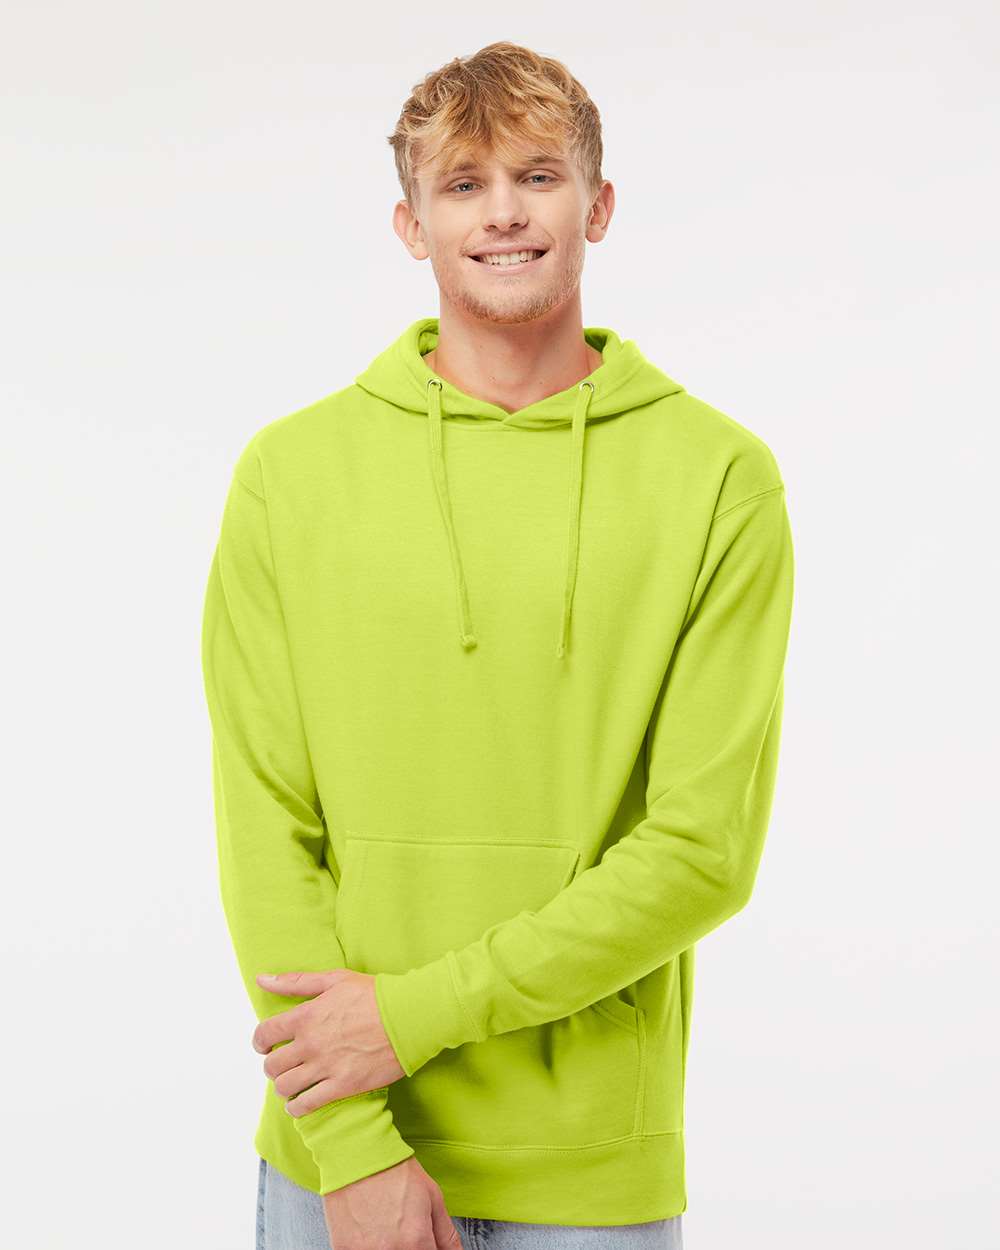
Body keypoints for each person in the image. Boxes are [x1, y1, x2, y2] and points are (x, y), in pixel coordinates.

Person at [201, 39, 795, 1250]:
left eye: (537, 175)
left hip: (589, 1171)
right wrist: (354, 1141)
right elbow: (266, 825)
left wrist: (411, 1013)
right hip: (340, 1155)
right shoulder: (291, 474)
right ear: (411, 224)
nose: (503, 213)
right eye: (463, 184)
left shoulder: (717, 479)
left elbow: (701, 850)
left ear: (599, 205)